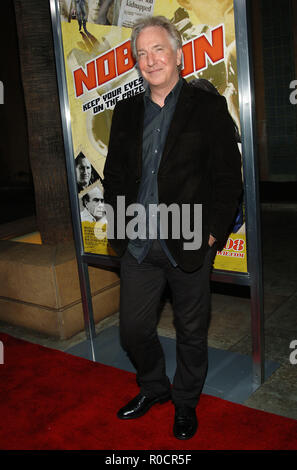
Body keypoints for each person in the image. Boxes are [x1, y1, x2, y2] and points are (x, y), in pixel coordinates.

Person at [103, 16, 242, 440]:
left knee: (192, 333)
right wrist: (118, 228)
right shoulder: (126, 110)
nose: (149, 60)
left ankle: (185, 402)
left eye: (157, 49)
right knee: (133, 330)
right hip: (139, 244)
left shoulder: (208, 106)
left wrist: (213, 233)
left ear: (178, 54)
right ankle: (154, 387)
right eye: (141, 54)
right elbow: (114, 176)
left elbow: (228, 178)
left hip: (190, 240)